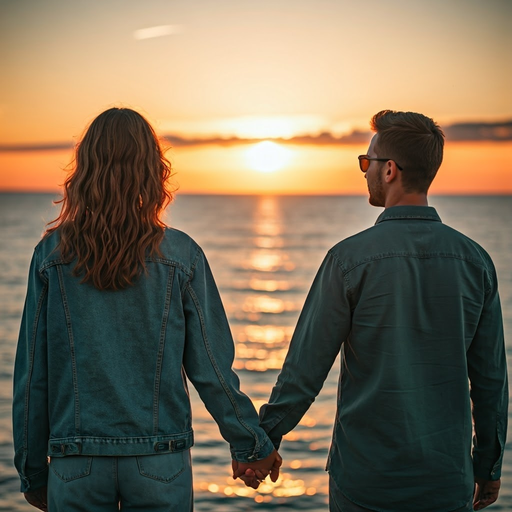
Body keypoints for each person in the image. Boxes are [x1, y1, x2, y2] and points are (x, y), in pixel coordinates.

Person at [12, 107, 281, 511]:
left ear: (85, 170)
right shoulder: (181, 256)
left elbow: (32, 377)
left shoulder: (51, 256)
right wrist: (250, 443)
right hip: (161, 461)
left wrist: (32, 470)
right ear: (153, 171)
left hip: (76, 461)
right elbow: (211, 368)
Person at [239, 110, 508, 511]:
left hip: (366, 482)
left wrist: (263, 442)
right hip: (447, 481)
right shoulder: (476, 262)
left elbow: (304, 373)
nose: (364, 170)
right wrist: (487, 464)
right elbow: (490, 381)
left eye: (367, 162)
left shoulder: (348, 260)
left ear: (389, 171)